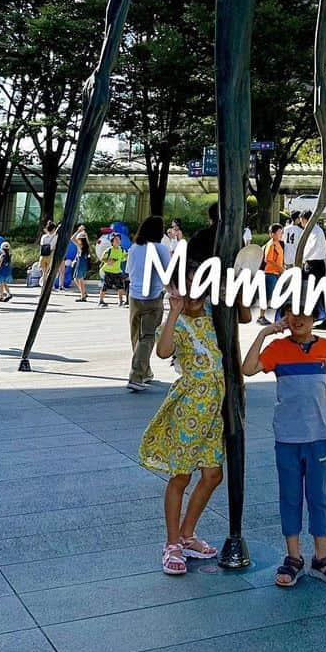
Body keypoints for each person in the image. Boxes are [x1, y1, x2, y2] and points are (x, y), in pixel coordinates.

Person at [242, 306, 326, 588]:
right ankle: (294, 557)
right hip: (287, 438)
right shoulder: (277, 348)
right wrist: (264, 333)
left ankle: (321, 557)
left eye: (305, 314)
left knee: (318, 497)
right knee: (289, 496)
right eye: (291, 313)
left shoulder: (325, 347)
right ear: (284, 317)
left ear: (315, 318)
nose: (298, 319)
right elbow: (247, 368)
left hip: (318, 437)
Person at [139, 269, 224, 576]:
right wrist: (173, 313)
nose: (193, 291)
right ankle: (172, 542)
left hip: (215, 408)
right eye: (185, 285)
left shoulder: (216, 315)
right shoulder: (178, 322)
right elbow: (162, 352)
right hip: (189, 408)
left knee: (213, 474)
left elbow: (241, 317)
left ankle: (188, 535)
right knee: (181, 476)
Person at [126, 215, 168, 392]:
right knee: (148, 336)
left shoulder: (134, 248)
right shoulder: (161, 249)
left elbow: (128, 270)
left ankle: (146, 371)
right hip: (153, 296)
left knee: (136, 335)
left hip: (134, 296)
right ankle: (136, 375)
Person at [299, 210, 326, 328]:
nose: (301, 223)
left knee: (315, 292)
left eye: (302, 220)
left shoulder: (315, 231)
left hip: (314, 264)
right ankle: (322, 317)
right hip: (313, 264)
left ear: (307, 219)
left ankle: (321, 317)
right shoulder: (314, 231)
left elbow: (310, 249)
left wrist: (301, 258)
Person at [261, 223, 285, 325]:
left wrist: (282, 267)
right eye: (279, 233)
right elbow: (268, 259)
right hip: (270, 273)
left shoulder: (278, 244)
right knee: (268, 296)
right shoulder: (271, 245)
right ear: (272, 234)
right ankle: (261, 317)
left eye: (281, 232)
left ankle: (279, 317)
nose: (281, 235)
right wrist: (280, 268)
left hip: (275, 273)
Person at [98, 232, 127, 307]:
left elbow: (124, 258)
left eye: (119, 240)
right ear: (112, 242)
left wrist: (127, 256)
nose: (118, 241)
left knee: (120, 287)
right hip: (108, 271)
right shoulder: (109, 250)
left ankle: (120, 301)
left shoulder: (122, 250)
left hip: (117, 271)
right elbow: (102, 259)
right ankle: (101, 301)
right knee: (105, 286)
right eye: (115, 240)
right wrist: (108, 261)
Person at [71, 228, 91, 301]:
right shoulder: (86, 246)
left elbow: (72, 238)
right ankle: (84, 292)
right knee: (76, 278)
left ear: (80, 240)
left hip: (80, 263)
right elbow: (87, 240)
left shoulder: (80, 246)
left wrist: (78, 231)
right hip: (83, 263)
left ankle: (83, 296)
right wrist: (85, 233)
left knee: (80, 280)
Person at [38, 220, 58, 287]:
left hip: (43, 256)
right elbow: (53, 247)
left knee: (44, 272)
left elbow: (41, 246)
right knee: (49, 271)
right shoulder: (55, 237)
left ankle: (44, 284)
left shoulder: (43, 236)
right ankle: (47, 285)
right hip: (50, 255)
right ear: (54, 229)